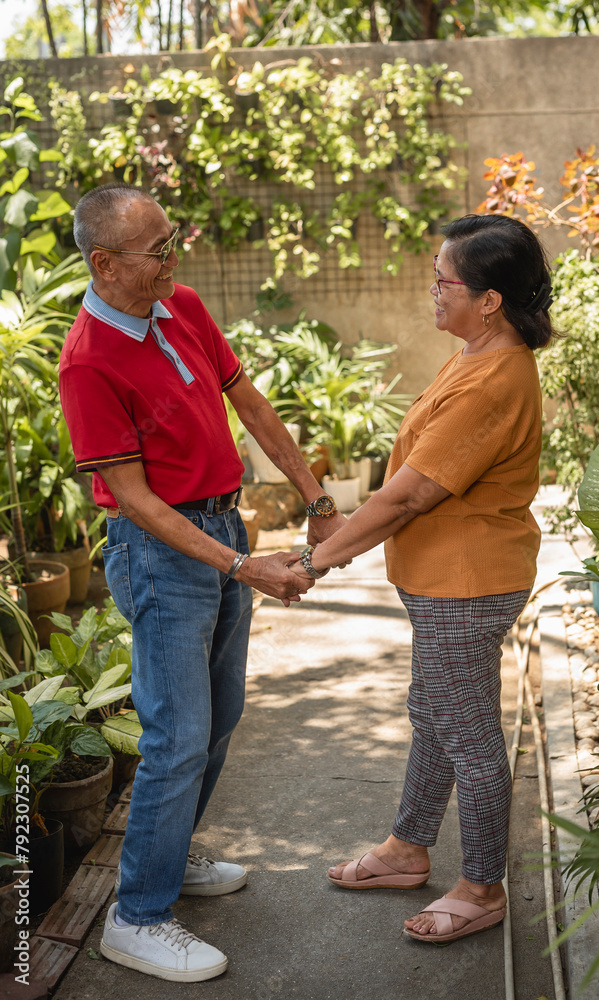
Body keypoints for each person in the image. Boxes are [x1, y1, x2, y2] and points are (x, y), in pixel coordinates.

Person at [59, 183, 346, 982]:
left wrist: (316, 498)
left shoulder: (178, 305)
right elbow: (139, 501)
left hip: (218, 527)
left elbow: (248, 404)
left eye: (171, 241)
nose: (173, 259)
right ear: (105, 263)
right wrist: (243, 566)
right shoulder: (88, 361)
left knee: (220, 718)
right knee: (176, 736)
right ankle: (137, 916)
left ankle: (170, 854)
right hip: (160, 552)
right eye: (158, 249)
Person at [290, 213, 553, 945]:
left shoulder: (492, 378)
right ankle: (408, 847)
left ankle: (482, 887)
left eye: (444, 281)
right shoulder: (475, 353)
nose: (431, 291)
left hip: (465, 586)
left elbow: (407, 494)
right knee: (434, 712)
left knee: (468, 739)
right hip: (446, 581)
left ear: (491, 298)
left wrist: (317, 559)